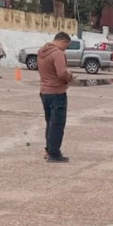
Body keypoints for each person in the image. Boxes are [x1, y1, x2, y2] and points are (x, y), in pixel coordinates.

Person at [38, 31, 75, 163]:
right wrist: (70, 78)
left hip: (44, 92)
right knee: (57, 124)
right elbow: (61, 73)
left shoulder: (42, 51)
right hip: (57, 92)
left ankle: (48, 150)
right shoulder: (58, 53)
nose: (66, 48)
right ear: (63, 41)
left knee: (50, 123)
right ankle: (54, 153)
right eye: (66, 45)